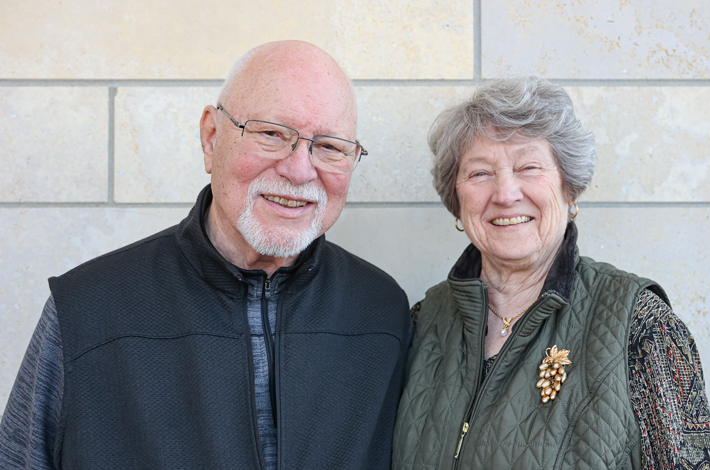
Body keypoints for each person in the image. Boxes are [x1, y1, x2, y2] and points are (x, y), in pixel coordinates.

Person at [0, 40, 412, 469]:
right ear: (211, 137)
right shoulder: (88, 311)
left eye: (329, 146)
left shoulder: (382, 313)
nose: (300, 170)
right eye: (271, 133)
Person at [392, 77, 710, 469]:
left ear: (570, 188)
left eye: (529, 167)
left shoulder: (641, 325)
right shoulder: (422, 321)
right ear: (457, 199)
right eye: (480, 173)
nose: (505, 193)